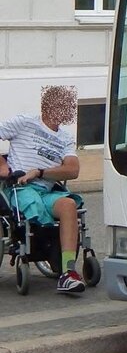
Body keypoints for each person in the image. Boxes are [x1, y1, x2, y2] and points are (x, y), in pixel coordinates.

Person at [0, 85, 85, 295]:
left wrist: (39, 172)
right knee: (33, 205)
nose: (66, 109)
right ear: (47, 106)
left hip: (45, 189)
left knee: (69, 204)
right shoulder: (25, 122)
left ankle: (68, 272)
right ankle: (43, 245)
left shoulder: (65, 138)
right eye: (62, 104)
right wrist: (3, 165)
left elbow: (72, 169)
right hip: (20, 187)